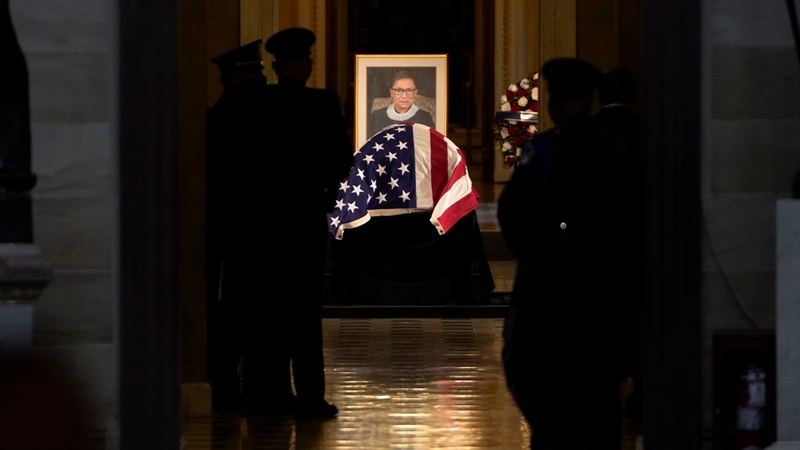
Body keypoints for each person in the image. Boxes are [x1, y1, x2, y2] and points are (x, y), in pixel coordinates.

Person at [497, 57, 632, 450]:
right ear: (592, 100)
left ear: (554, 104)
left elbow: (511, 212)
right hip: (605, 283)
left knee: (531, 370)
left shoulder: (544, 150)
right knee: (597, 381)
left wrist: (536, 254)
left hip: (549, 285)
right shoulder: (618, 148)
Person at [258, 27, 354, 417]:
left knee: (271, 308)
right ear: (306, 64)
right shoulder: (323, 103)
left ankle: (274, 393)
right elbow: (342, 161)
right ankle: (311, 396)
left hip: (266, 219)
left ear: (277, 66)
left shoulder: (261, 103)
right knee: (304, 311)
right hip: (307, 216)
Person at [205, 39, 277, 412]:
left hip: (255, 225)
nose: (260, 80)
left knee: (252, 306)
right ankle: (228, 383)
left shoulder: (253, 113)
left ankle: (251, 384)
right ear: (235, 79)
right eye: (254, 74)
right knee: (236, 308)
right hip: (237, 227)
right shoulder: (224, 118)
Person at [594, 66, 645, 421]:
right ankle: (642, 387)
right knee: (642, 316)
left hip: (595, 243)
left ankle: (599, 384)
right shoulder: (647, 131)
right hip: (639, 239)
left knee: (600, 319)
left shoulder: (588, 133)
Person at [367, 70, 435, 137]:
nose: (404, 96)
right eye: (399, 90)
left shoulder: (425, 118)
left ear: (415, 93)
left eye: (409, 90)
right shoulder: (377, 117)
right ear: (391, 92)